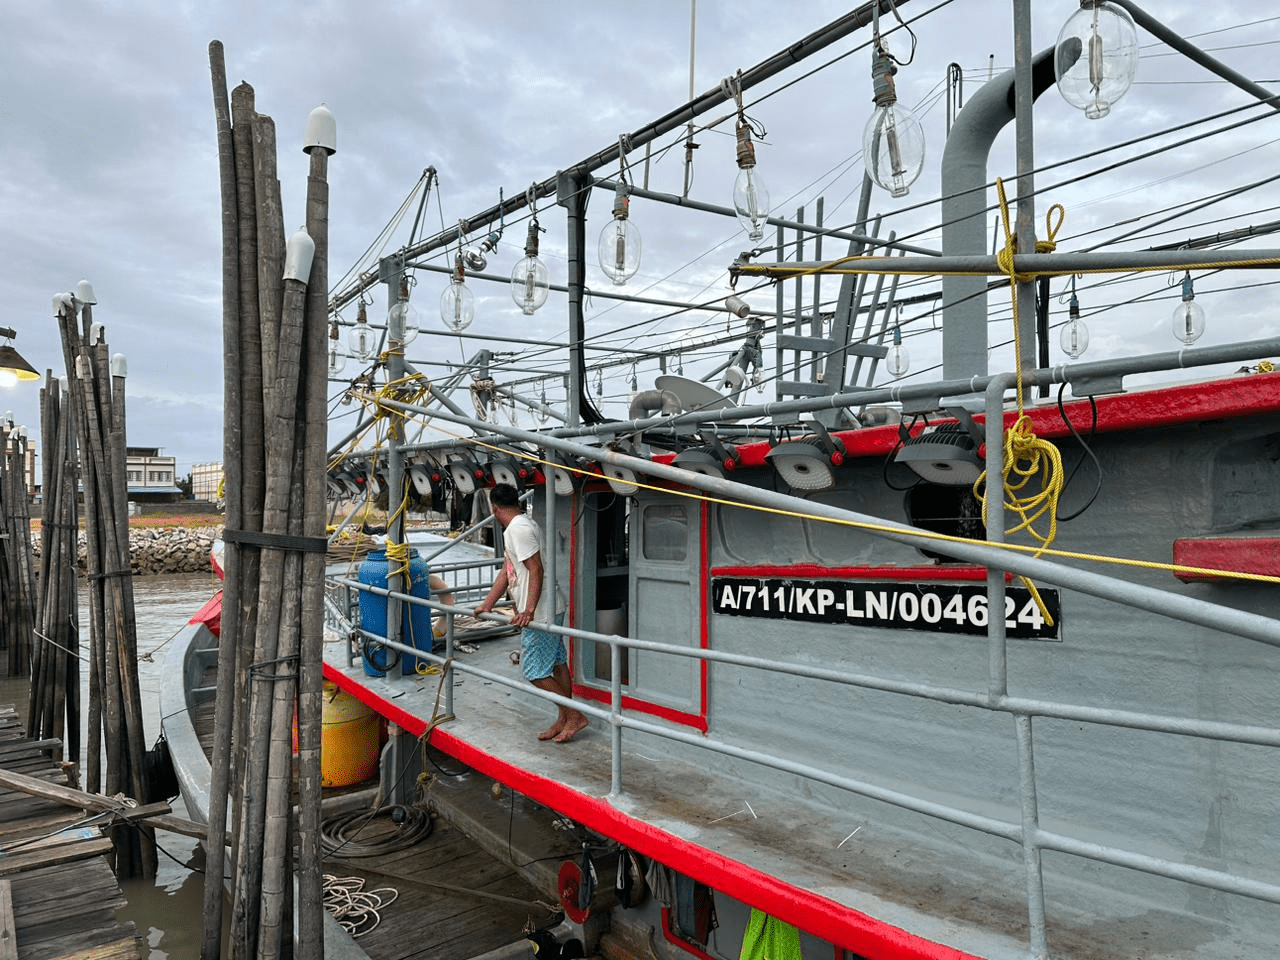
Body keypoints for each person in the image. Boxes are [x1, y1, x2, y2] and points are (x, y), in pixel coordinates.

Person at [476, 483, 587, 743]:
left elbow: (535, 568)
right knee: (557, 663)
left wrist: (529, 610)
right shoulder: (519, 526)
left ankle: (574, 716)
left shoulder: (519, 529)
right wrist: (487, 604)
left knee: (535, 672)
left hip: (541, 611)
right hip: (547, 606)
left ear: (494, 509)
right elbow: (509, 570)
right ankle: (563, 718)